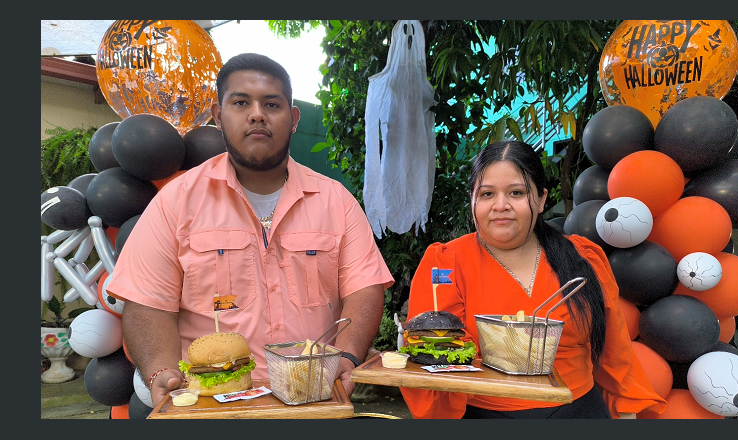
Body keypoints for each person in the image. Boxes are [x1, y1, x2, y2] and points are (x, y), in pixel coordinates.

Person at [107, 53, 394, 408]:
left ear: (292, 119)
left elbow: (364, 290)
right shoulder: (176, 203)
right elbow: (147, 304)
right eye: (241, 102)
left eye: (271, 103)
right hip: (211, 406)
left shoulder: (336, 201)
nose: (257, 113)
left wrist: (348, 358)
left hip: (313, 399)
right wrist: (161, 373)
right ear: (218, 116)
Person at [399, 141, 667, 419]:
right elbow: (434, 356)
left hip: (579, 410)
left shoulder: (583, 258)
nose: (500, 206)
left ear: (540, 199)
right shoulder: (445, 263)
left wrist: (627, 412)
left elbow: (615, 351)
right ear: (472, 200)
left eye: (516, 192)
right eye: (487, 194)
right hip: (484, 413)